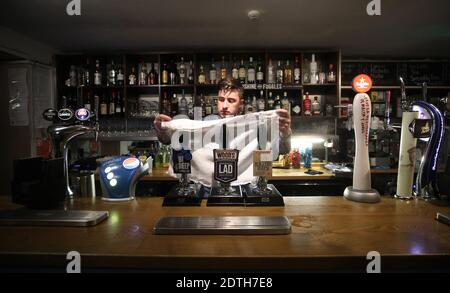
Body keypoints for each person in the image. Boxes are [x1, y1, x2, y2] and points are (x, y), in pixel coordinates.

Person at [153, 77, 292, 196]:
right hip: (207, 191)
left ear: (241, 104)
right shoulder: (203, 124)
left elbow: (282, 150)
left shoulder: (256, 125)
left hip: (243, 189)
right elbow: (168, 141)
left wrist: (285, 134)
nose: (225, 105)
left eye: (231, 100)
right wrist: (162, 131)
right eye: (221, 99)